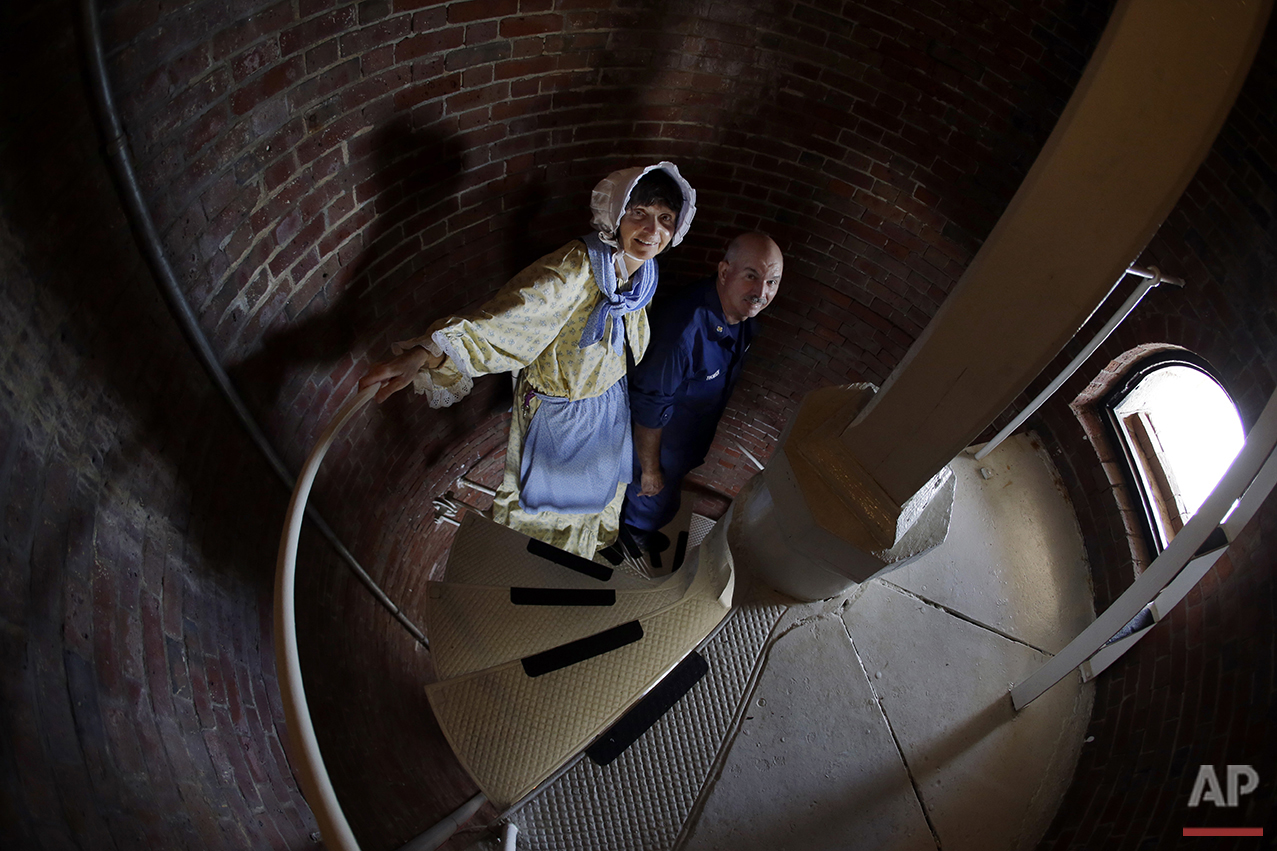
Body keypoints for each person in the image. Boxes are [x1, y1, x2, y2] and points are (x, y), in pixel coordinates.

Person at [359, 163, 697, 558]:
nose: (651, 231)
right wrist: (426, 352)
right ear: (616, 214)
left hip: (606, 403)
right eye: (638, 213)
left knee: (595, 493)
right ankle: (532, 564)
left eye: (664, 219)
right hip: (560, 413)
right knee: (546, 504)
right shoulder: (575, 269)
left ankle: (580, 556)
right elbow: (511, 316)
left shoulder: (645, 273)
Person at [617, 232, 783, 557]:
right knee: (646, 497)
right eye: (752, 276)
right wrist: (650, 470)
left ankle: (641, 529)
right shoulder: (683, 333)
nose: (762, 293)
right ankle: (629, 539)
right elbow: (649, 407)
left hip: (684, 442)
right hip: (654, 448)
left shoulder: (742, 317)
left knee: (664, 496)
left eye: (772, 282)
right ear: (725, 272)